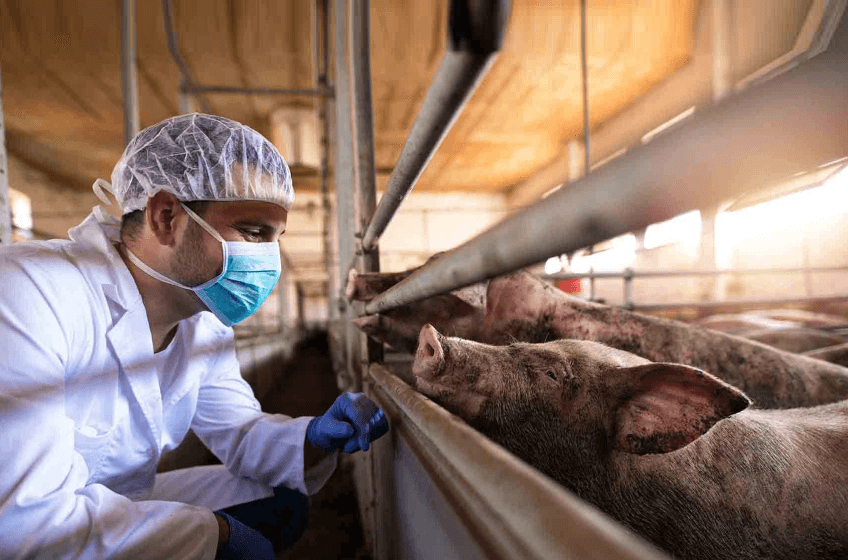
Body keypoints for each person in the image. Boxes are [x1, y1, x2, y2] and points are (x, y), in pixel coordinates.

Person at [0, 113, 389, 559]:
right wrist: (215, 537)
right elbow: (25, 524)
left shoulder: (202, 319)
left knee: (277, 501)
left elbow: (238, 431)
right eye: (252, 232)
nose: (269, 260)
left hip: (106, 505)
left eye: (275, 238)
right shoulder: (27, 291)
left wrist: (312, 438)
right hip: (27, 528)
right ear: (166, 216)